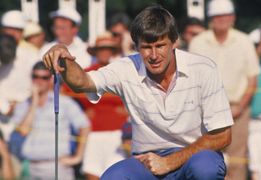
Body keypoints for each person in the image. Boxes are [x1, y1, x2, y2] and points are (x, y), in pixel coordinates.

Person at [43, 5, 233, 180]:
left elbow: (222, 136)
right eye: (146, 47)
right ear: (136, 47)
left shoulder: (204, 69)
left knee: (205, 168)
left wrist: (169, 162)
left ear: (174, 42)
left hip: (194, 155)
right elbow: (82, 82)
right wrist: (62, 55)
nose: (153, 55)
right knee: (113, 177)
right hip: (147, 161)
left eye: (160, 46)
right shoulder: (126, 67)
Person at [189, 0, 260, 179]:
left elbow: (252, 80)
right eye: (217, 16)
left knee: (237, 160)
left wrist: (240, 107)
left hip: (238, 109)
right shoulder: (197, 42)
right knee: (206, 160)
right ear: (211, 19)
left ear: (233, 18)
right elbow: (191, 80)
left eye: (225, 15)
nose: (221, 19)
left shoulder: (244, 41)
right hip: (205, 111)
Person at [63, 31, 129, 180]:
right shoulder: (86, 73)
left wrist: (128, 110)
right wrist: (81, 111)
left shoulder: (120, 72)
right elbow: (65, 93)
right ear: (96, 51)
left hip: (117, 132)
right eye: (101, 49)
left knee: (116, 174)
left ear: (113, 51)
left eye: (108, 48)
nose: (104, 52)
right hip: (92, 132)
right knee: (92, 174)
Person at [10, 61, 90, 179]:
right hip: (30, 166)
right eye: (35, 76)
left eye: (44, 77)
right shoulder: (23, 105)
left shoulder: (65, 103)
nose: (39, 81)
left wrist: (78, 157)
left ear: (51, 79)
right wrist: (34, 102)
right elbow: (23, 131)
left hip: (57, 166)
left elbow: (84, 126)